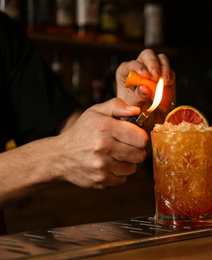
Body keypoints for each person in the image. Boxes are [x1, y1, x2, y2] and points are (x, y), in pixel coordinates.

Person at [0, 11, 175, 234]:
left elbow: (76, 135)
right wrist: (60, 155)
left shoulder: (5, 34)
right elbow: (67, 147)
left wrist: (126, 117)